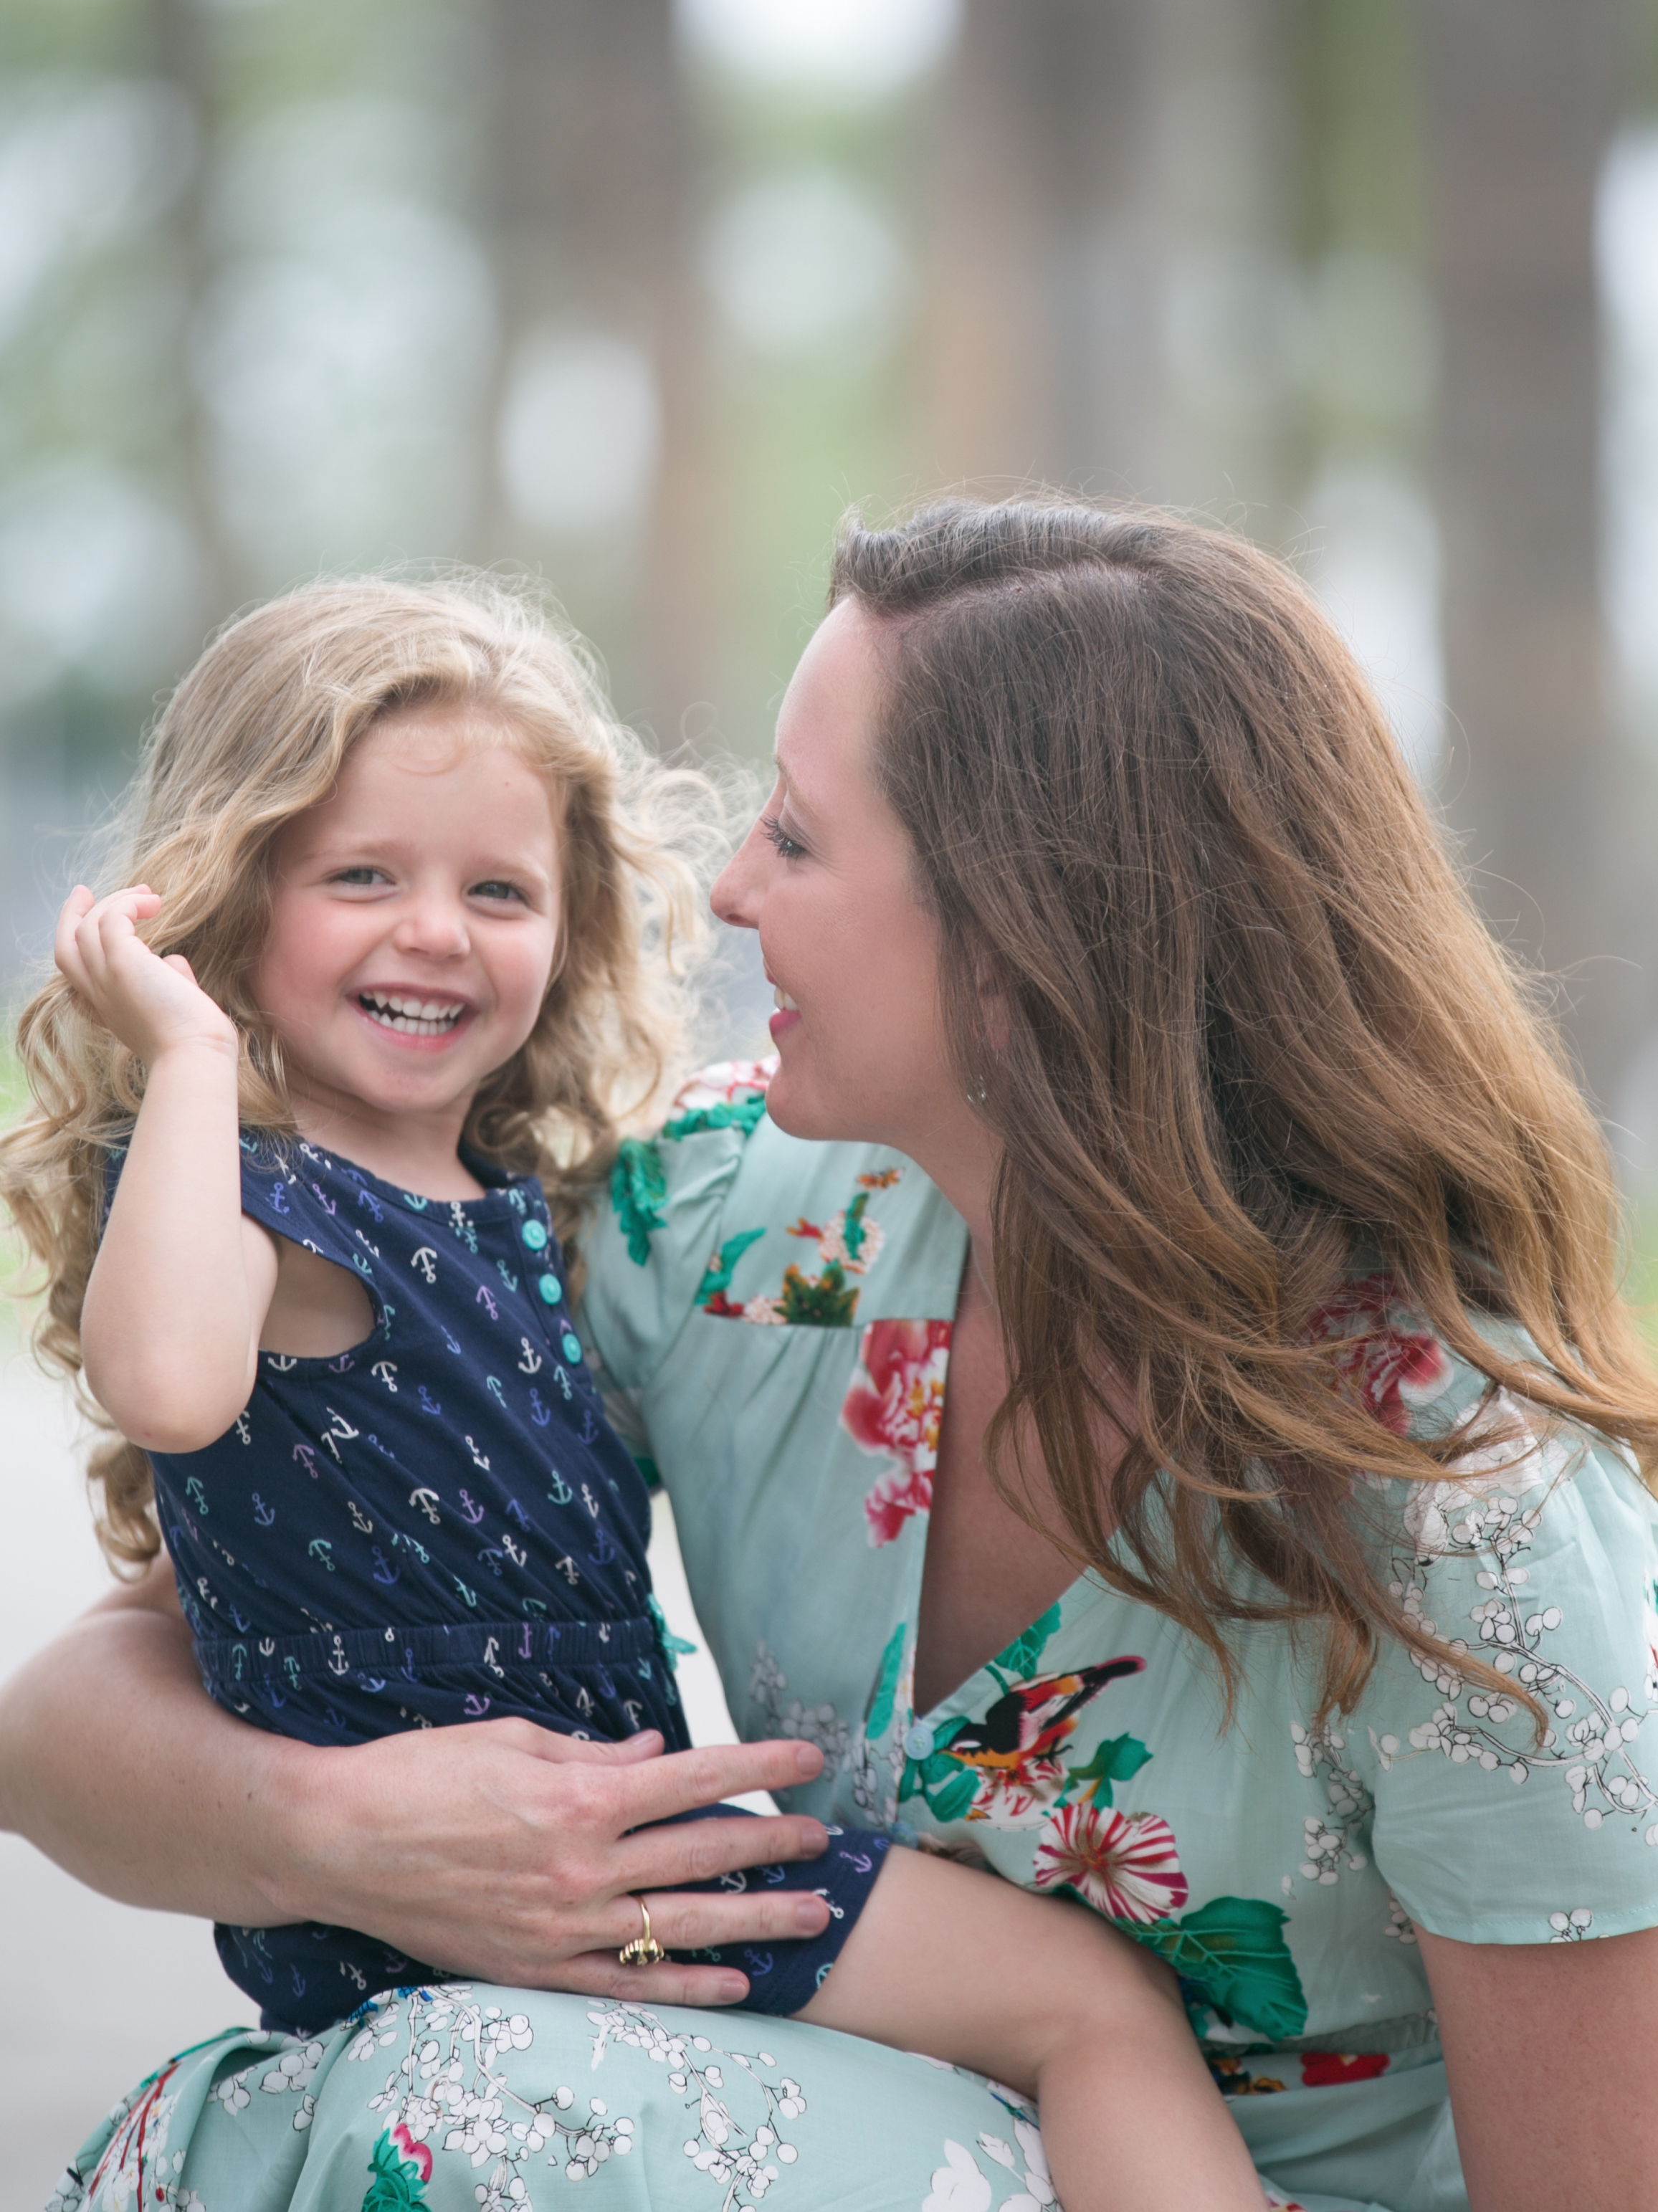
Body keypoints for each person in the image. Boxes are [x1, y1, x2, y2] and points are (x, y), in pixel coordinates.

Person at [4, 502, 1657, 2212]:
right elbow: (59, 1723)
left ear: (1023, 939)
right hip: (838, 2128)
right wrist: (358, 1839)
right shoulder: (719, 1234)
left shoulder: (1462, 1501)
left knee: (481, 2101)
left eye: (792, 840)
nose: (721, 893)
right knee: (341, 2104)